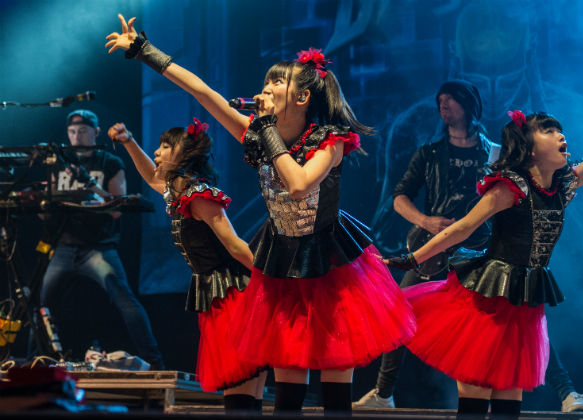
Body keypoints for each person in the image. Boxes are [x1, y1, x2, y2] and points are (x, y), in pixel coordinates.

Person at [106, 14, 416, 416]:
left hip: (332, 263)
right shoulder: (257, 131)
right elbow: (202, 91)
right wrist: (145, 51)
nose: (265, 87)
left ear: (302, 99)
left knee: (336, 383)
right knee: (288, 383)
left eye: (276, 82)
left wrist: (266, 129)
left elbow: (299, 183)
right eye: (266, 80)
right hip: (283, 261)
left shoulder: (329, 140)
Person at [385, 70, 583, 418]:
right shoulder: (509, 187)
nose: (561, 135)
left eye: (560, 129)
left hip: (523, 299)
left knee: (510, 397)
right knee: (477, 390)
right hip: (486, 298)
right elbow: (462, 228)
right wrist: (411, 259)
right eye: (549, 130)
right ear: (528, 147)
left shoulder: (562, 187)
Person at [107, 118, 266, 413]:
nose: (157, 152)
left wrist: (270, 277)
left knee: (242, 379)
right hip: (216, 291)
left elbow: (234, 245)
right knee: (244, 383)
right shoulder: (179, 192)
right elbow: (151, 177)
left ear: (185, 154)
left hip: (233, 292)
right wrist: (129, 141)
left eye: (165, 146)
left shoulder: (200, 195)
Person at [355, 80, 496, 409]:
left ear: (469, 104)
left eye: (450, 100)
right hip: (434, 250)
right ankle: (384, 393)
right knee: (400, 310)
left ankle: (496, 392)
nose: (443, 106)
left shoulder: (493, 153)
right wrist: (425, 221)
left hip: (479, 251)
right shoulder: (430, 153)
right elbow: (399, 198)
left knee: (489, 321)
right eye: (440, 101)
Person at [37, 109, 164, 369]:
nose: (76, 136)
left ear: (95, 131)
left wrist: (90, 187)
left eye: (83, 130)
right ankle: (41, 359)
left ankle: (155, 362)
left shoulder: (109, 162)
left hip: (97, 248)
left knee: (123, 298)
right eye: (72, 131)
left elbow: (117, 209)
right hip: (63, 246)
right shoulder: (59, 161)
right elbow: (46, 205)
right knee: (41, 304)